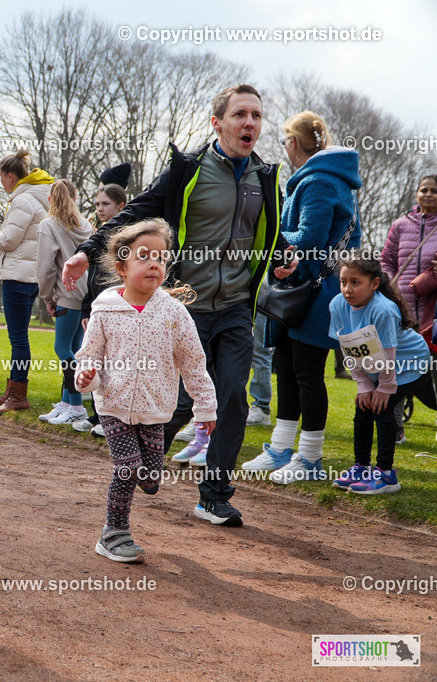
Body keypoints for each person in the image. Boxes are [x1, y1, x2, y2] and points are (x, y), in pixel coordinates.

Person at [62, 83, 297, 526]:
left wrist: (283, 253)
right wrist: (86, 252)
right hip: (183, 306)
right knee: (184, 401)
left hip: (235, 307)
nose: (250, 123)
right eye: (240, 114)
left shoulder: (265, 177)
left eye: (256, 115)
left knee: (232, 397)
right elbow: (134, 212)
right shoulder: (187, 170)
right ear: (217, 123)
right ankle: (148, 456)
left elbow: (267, 229)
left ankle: (214, 496)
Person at [76, 219, 217, 563]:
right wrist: (86, 377)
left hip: (155, 409)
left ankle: (146, 476)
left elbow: (194, 362)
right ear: (122, 267)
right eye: (144, 256)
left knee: (150, 478)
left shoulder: (174, 313)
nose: (155, 264)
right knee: (127, 467)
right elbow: (89, 354)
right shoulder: (104, 308)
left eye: (161, 258)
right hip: (113, 405)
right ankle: (114, 533)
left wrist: (205, 408)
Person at [243, 112, 362, 483]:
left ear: (293, 143)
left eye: (285, 141)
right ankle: (280, 449)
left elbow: (309, 239)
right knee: (288, 370)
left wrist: (271, 236)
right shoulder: (325, 179)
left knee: (308, 375)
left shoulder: (319, 181)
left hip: (314, 293)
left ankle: (309, 458)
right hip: (302, 290)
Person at [328, 251, 431, 494]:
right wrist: (363, 384)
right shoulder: (337, 304)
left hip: (408, 362)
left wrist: (385, 387)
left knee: (382, 410)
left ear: (374, 283)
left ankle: (386, 475)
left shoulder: (384, 310)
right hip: (377, 361)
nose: (347, 289)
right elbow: (348, 347)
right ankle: (361, 467)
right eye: (343, 282)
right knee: (363, 407)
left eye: (355, 282)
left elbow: (388, 355)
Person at [0, 149, 54, 414]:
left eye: (1, 176)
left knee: (18, 339)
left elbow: (8, 241)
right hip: (30, 276)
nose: (1, 182)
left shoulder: (23, 200)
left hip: (18, 277)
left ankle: (18, 395)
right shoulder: (39, 196)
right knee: (19, 338)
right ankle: (12, 392)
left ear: (10, 176)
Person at [381, 174, 437, 439]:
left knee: (434, 372)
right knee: (395, 369)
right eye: (424, 190)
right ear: (417, 193)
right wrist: (389, 288)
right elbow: (386, 260)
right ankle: (395, 430)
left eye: (434, 191)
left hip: (432, 314)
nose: (429, 194)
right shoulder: (401, 225)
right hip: (401, 312)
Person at [75, 175, 129, 436]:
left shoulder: (128, 239)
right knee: (95, 363)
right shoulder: (97, 236)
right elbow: (92, 278)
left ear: (121, 206)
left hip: (119, 310)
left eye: (105, 204)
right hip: (98, 309)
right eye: (97, 204)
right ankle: (97, 416)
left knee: (116, 366)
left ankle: (112, 420)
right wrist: (87, 309)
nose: (99, 209)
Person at [36, 179, 91, 426]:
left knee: (62, 349)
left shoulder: (48, 225)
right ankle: (67, 403)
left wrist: (47, 297)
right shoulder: (86, 224)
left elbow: (45, 267)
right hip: (86, 294)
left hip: (67, 294)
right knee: (75, 349)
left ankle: (77, 405)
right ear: (75, 198)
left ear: (50, 199)